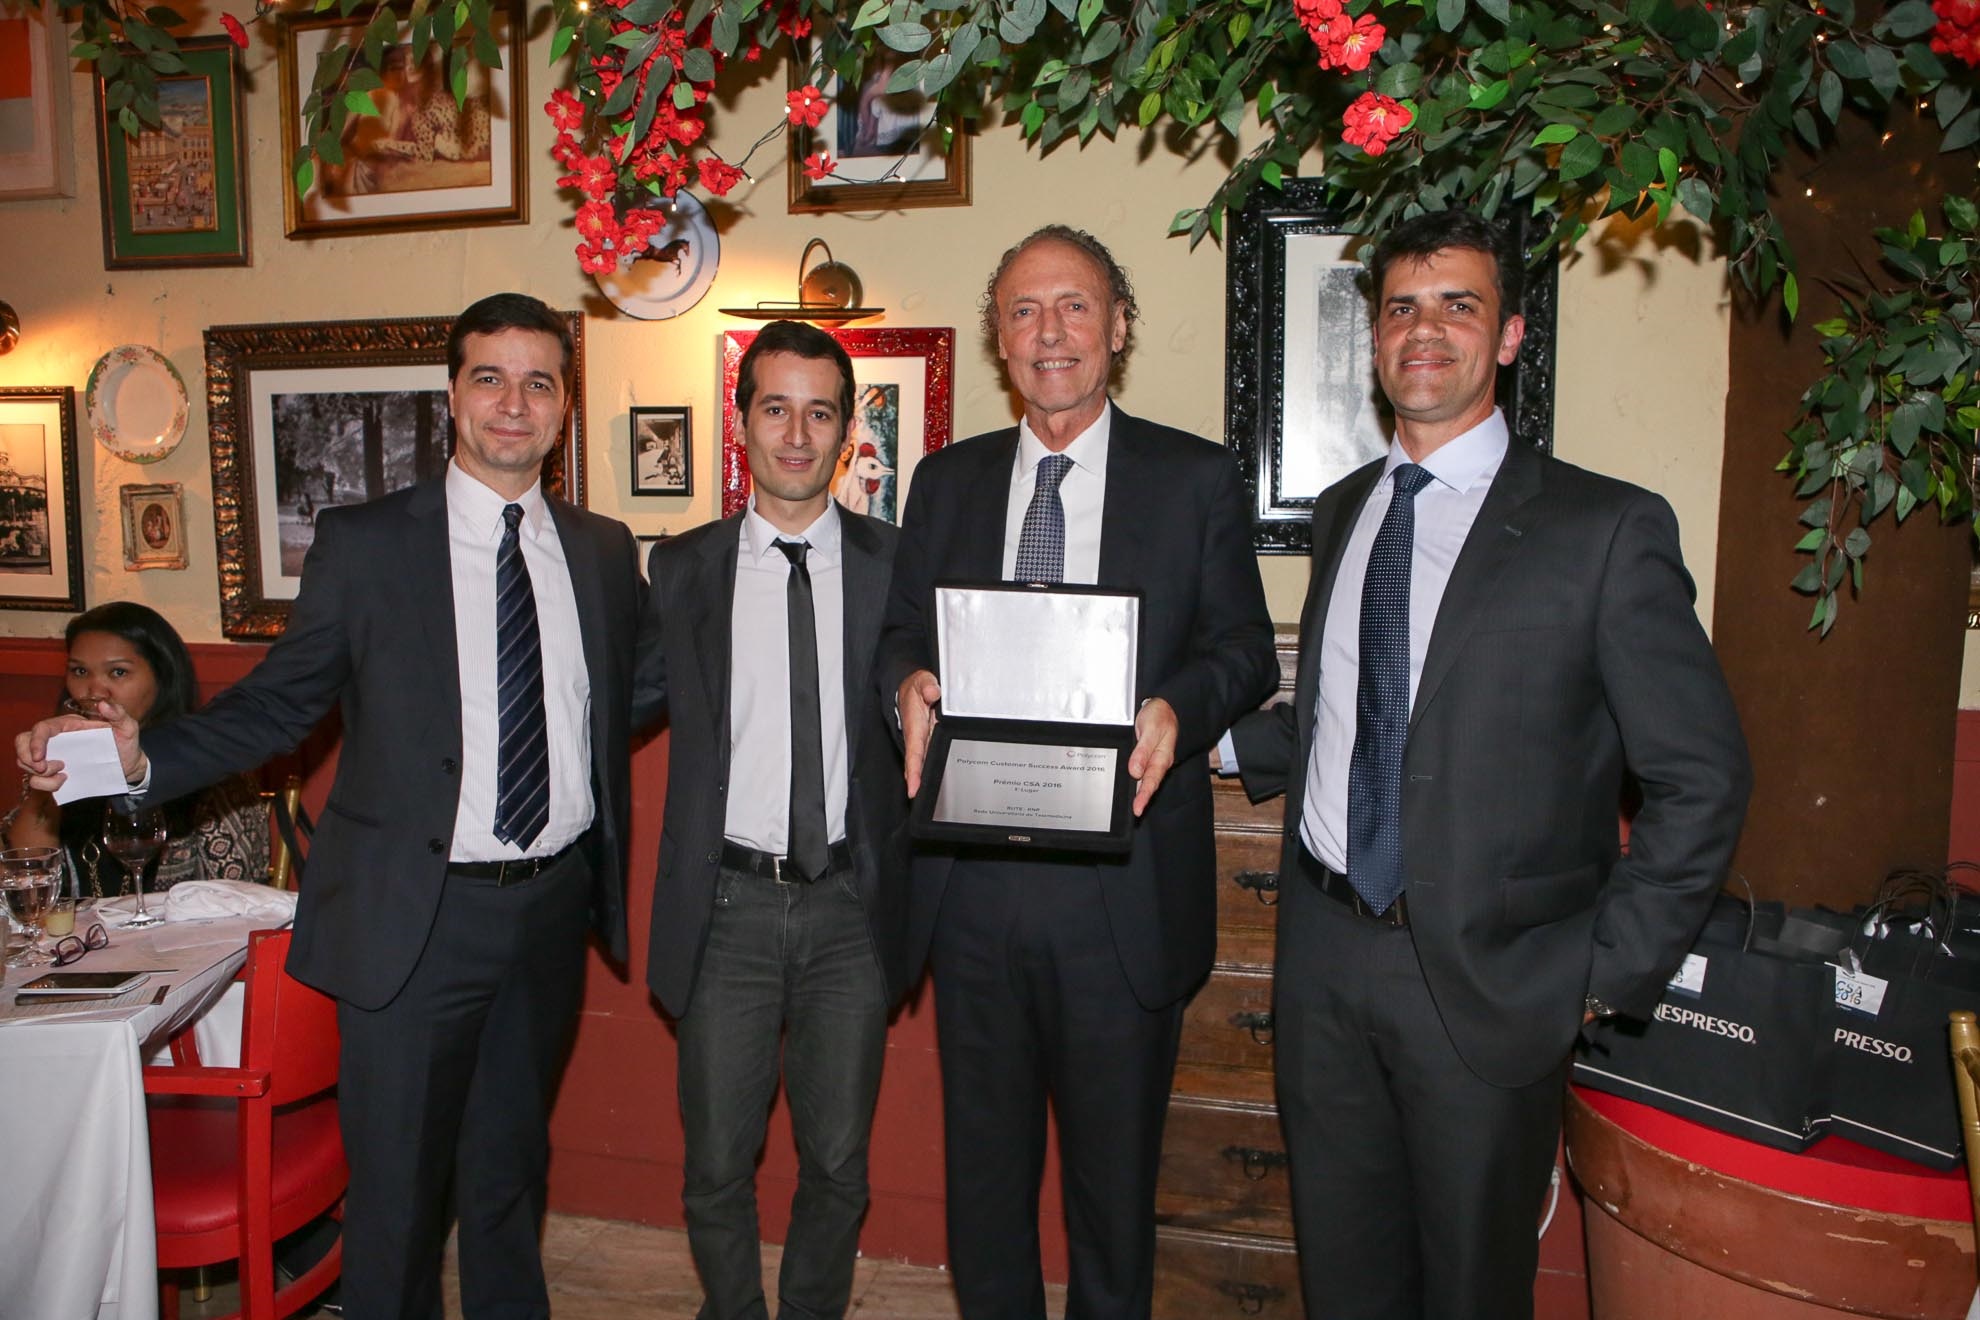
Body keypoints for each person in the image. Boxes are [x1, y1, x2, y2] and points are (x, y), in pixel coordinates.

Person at [18, 292, 651, 1320]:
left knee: (508, 1175)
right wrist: (140, 758)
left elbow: (630, 689)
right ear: (454, 396)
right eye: (490, 378)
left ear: (564, 406)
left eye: (539, 382)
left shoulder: (603, 549)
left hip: (550, 907)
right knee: (398, 1199)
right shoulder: (367, 544)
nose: (514, 403)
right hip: (416, 918)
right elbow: (277, 706)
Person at [1224, 209, 1752, 1318]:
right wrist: (1201, 739)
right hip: (1324, 961)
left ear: (1510, 335)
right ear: (1376, 338)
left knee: (1471, 1289)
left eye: (1458, 306)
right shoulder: (1347, 510)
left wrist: (1602, 974)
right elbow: (1352, 715)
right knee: (1345, 1282)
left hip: (1494, 985)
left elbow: (1702, 777)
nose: (1425, 331)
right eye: (1401, 309)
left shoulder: (1604, 530)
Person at [877, 225, 1278, 1318]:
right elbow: (900, 634)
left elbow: (1245, 649)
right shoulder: (946, 481)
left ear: (1119, 327)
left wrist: (1178, 706)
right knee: (984, 1187)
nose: (1049, 332)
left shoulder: (1194, 479)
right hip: (972, 891)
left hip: (1122, 891)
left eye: (1074, 306)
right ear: (998, 339)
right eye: (1023, 310)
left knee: (1112, 1199)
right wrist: (905, 685)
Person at [631, 320, 910, 1320]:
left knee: (838, 1164)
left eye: (819, 413)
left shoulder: (894, 564)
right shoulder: (682, 570)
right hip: (727, 909)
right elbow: (614, 702)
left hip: (849, 908)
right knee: (715, 1163)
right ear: (742, 420)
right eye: (776, 409)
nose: (797, 435)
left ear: (846, 430)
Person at [3, 602, 268, 895]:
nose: (95, 691)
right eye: (79, 671)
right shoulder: (64, 761)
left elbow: (240, 897)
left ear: (162, 678)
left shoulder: (207, 769)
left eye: (118, 672)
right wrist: (45, 784)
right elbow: (23, 880)